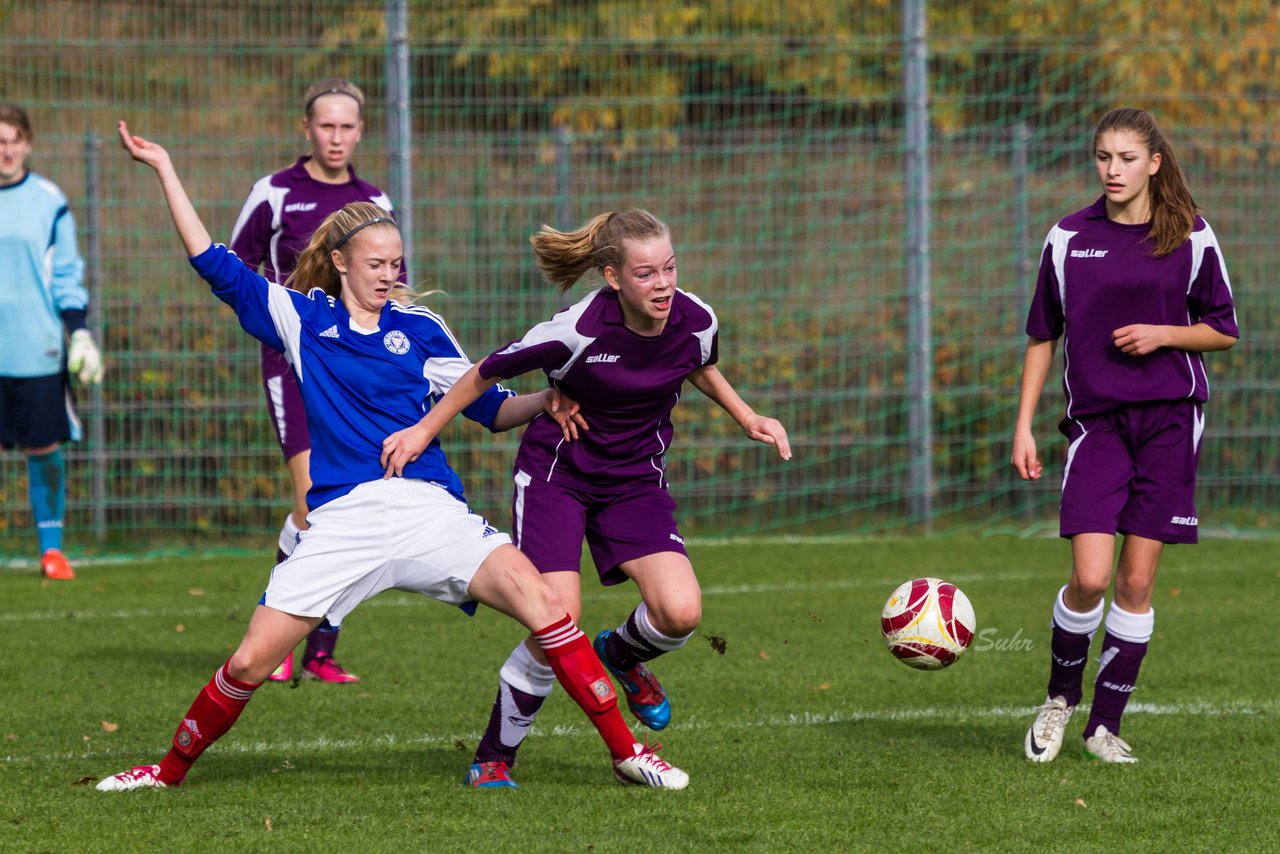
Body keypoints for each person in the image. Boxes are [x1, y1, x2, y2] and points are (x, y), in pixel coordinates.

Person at [98, 122, 687, 793]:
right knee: (250, 662)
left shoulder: (420, 328)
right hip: (344, 519)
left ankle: (625, 753)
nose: (389, 275)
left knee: (547, 606)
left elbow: (488, 409)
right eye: (376, 263)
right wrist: (166, 166)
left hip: (428, 510)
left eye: (396, 263)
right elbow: (212, 261)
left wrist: (543, 402)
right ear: (342, 261)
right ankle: (166, 772)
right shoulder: (300, 318)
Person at [380, 209, 791, 788]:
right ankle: (495, 755)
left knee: (680, 613)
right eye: (646, 274)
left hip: (635, 482)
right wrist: (425, 431)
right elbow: (479, 376)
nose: (664, 284)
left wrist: (748, 415)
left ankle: (621, 655)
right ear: (612, 277)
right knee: (558, 619)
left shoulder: (696, 319)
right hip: (558, 476)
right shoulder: (574, 331)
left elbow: (700, 364)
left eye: (670, 268)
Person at [1012, 107, 1238, 764]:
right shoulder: (1067, 237)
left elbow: (1223, 329)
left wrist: (1164, 334)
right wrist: (1024, 425)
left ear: (1154, 163)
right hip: (1097, 425)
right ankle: (1059, 700)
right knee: (1090, 576)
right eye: (1104, 158)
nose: (1113, 170)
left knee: (1135, 584)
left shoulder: (1191, 235)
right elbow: (1041, 335)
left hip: (1170, 421)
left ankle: (1103, 726)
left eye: (1127, 158)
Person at [229, 79, 398, 684]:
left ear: (360, 131)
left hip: (354, 371)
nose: (336, 137)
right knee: (312, 498)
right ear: (307, 129)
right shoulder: (274, 193)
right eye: (326, 126)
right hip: (293, 362)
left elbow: (393, 281)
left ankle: (319, 652)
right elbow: (237, 266)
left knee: (343, 501)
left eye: (347, 127)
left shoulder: (373, 200)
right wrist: (276, 326)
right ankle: (272, 643)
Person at [0, 103, 103, 580]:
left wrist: (79, 332)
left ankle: (51, 550)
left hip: (36, 348)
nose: (6, 149)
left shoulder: (49, 199)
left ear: (27, 143)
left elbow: (66, 274)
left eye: (13, 139)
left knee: (43, 452)